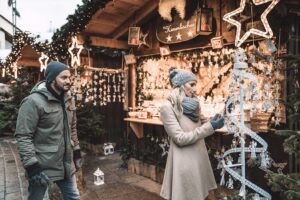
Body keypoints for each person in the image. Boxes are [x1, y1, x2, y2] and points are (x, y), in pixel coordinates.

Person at [15, 61, 82, 200]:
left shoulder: (69, 99)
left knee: (74, 197)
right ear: (51, 79)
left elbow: (72, 128)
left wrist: (76, 151)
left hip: (65, 165)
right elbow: (23, 136)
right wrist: (32, 167)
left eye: (69, 77)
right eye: (63, 78)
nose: (68, 81)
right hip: (41, 166)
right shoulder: (33, 102)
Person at [159, 68, 225, 200]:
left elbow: (202, 122)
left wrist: (214, 120)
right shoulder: (167, 107)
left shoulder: (194, 103)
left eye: (196, 84)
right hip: (184, 160)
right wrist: (211, 126)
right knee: (188, 194)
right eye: (191, 84)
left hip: (199, 156)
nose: (195, 89)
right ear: (180, 85)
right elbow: (179, 138)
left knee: (201, 194)